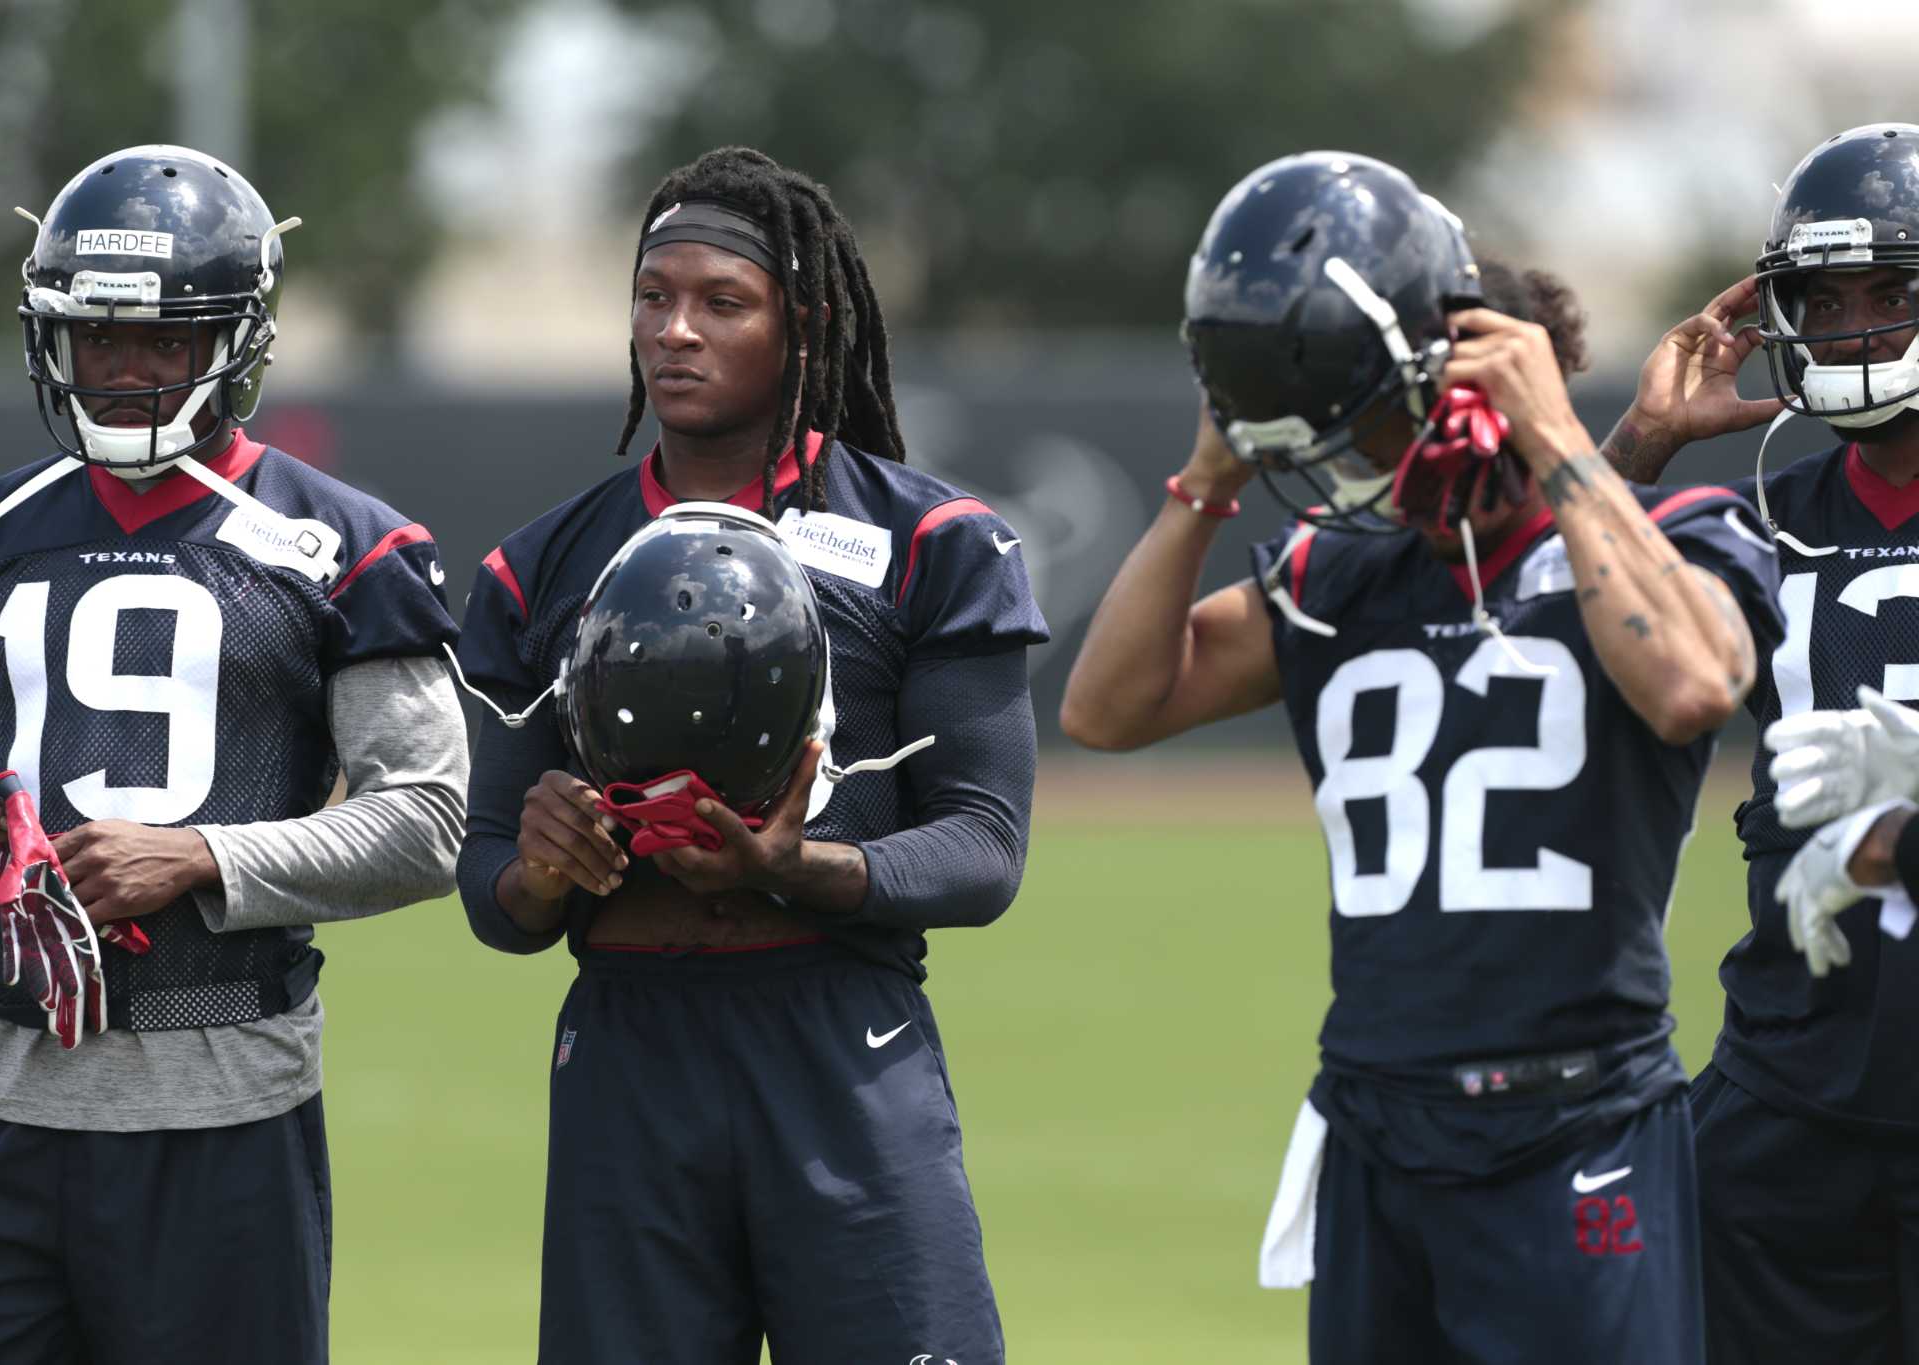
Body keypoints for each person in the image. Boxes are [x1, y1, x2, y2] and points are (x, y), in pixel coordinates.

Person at [1061, 151, 1781, 1364]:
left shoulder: (1675, 540)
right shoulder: (1341, 575)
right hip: (1377, 1124)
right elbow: (1107, 708)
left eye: (1378, 417)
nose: (1353, 464)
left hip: (1574, 1118)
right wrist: (1203, 480)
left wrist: (1557, 437)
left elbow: (1690, 686)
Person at [0, 145, 468, 1365]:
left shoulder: (338, 549)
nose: (129, 369)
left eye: (165, 340)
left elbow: (430, 818)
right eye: (99, 338)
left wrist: (198, 856)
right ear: (54, 341)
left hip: (221, 1107)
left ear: (233, 342)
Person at [450, 145, 1046, 1365]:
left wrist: (793, 865)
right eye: (651, 298)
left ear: (803, 323)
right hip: (631, 1052)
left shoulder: (931, 540)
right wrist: (546, 866)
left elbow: (984, 849)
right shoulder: (535, 568)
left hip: (839, 1042)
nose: (674, 331)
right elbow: (491, 894)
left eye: (721, 302)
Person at [1598, 121, 1919, 1363]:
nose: (1848, 330)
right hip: (1797, 1086)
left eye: (1887, 294)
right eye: (1822, 299)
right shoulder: (1750, 524)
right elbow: (1507, 645)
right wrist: (1641, 447)